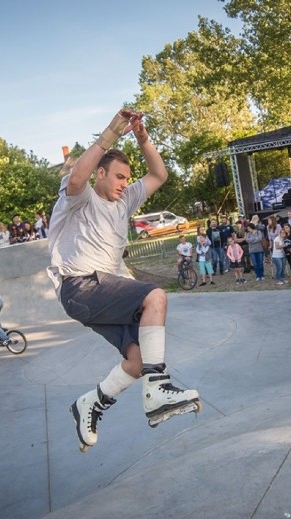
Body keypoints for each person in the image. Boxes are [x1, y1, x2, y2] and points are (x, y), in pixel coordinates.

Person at [47, 108, 200, 453]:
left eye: (127, 178)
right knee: (156, 297)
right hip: (81, 286)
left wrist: (143, 138)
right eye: (118, 177)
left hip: (99, 292)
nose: (124, 184)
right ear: (100, 174)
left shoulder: (125, 200)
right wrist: (110, 134)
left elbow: (158, 174)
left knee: (136, 359)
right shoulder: (80, 198)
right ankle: (157, 389)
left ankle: (90, 404)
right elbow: (75, 179)